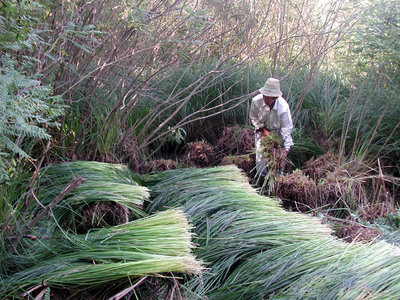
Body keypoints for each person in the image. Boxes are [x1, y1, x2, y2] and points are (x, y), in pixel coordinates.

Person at [250, 77, 294, 175]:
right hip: (261, 131)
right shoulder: (256, 101)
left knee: (277, 162)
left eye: (267, 96)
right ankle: (262, 180)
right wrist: (261, 128)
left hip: (277, 132)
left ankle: (277, 180)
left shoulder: (283, 107)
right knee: (261, 160)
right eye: (264, 95)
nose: (264, 98)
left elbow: (286, 129)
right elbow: (253, 116)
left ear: (275, 98)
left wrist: (286, 149)